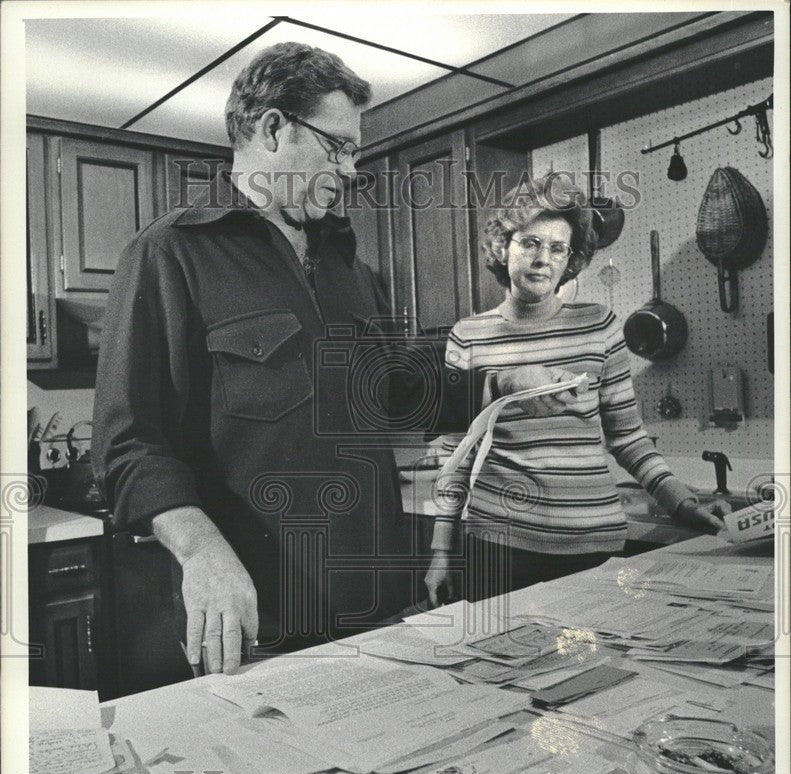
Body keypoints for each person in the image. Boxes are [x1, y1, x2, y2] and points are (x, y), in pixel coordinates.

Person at [95, 42, 554, 674]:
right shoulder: (170, 254)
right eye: (337, 146)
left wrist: (506, 383)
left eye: (354, 152)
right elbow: (126, 445)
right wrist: (202, 551)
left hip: (380, 603)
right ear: (273, 127)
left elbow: (397, 393)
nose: (348, 171)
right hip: (257, 620)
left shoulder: (351, 266)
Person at [425, 174, 728, 607]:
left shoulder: (598, 325)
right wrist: (441, 552)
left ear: (571, 259)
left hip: (593, 545)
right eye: (529, 243)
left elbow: (629, 440)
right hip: (497, 544)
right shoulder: (469, 335)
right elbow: (455, 456)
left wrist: (681, 502)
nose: (542, 259)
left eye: (557, 248)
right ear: (503, 245)